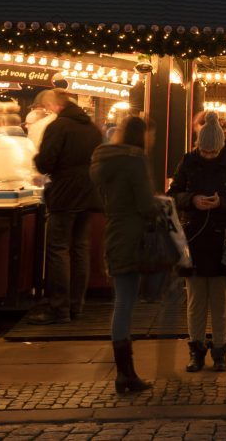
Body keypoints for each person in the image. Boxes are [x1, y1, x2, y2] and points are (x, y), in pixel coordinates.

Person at [168, 111, 226, 372]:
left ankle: (219, 351)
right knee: (195, 300)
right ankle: (196, 350)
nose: (207, 155)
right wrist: (192, 199)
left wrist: (222, 203)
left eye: (211, 151)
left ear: (220, 146)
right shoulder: (188, 161)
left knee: (220, 298)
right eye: (203, 151)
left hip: (223, 237)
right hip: (194, 237)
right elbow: (173, 194)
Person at [89, 115, 157, 394]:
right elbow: (145, 204)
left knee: (122, 301)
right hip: (133, 235)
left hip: (114, 232)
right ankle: (125, 374)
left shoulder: (103, 159)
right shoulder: (135, 160)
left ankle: (125, 372)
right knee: (126, 303)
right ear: (141, 136)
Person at [29, 89, 102, 325]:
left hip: (64, 193)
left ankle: (59, 308)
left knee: (58, 248)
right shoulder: (92, 128)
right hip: (88, 192)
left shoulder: (59, 126)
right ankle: (76, 305)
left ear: (55, 105)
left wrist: (37, 161)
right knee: (80, 247)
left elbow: (45, 162)